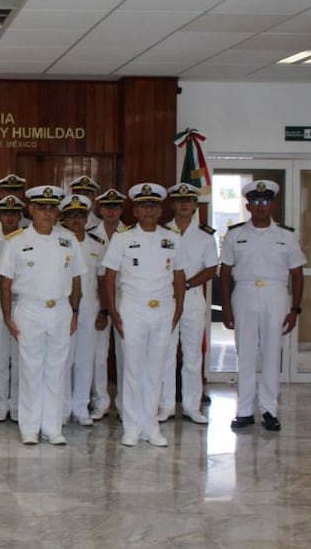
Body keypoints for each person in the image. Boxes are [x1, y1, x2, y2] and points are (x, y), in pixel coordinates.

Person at [0, 186, 85, 445]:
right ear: (31, 209)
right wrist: (6, 316)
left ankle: (52, 427)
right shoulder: (17, 241)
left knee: (57, 370)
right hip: (29, 310)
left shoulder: (69, 239)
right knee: (30, 370)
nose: (48, 213)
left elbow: (77, 277)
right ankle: (29, 427)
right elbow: (5, 281)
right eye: (42, 207)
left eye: (52, 207)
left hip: (60, 309)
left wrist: (75, 311)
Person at [102, 183, 185, 447]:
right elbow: (110, 276)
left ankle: (151, 425)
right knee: (133, 369)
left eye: (153, 206)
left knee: (156, 368)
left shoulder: (172, 238)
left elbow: (179, 274)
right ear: (135, 210)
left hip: (163, 308)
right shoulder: (123, 237)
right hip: (133, 308)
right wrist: (113, 312)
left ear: (160, 210)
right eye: (143, 206)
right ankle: (132, 426)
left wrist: (179, 307)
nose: (149, 211)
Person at [221, 180, 305, 432]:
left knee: (271, 354)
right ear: (248, 205)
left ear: (273, 205)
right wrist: (225, 307)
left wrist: (295, 309)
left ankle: (270, 410)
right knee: (245, 353)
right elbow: (224, 273)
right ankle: (244, 411)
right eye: (255, 202)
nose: (260, 207)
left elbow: (298, 274)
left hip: (275, 295)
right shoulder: (235, 235)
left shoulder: (286, 236)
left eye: (265, 202)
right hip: (244, 294)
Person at [160, 182, 218, 424]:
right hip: (166, 300)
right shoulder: (161, 233)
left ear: (195, 205)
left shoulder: (205, 236)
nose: (184, 204)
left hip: (193, 299)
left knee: (193, 355)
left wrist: (185, 285)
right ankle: (166, 406)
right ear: (173, 204)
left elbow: (212, 269)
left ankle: (193, 406)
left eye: (189, 200)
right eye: (179, 200)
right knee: (166, 354)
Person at [58, 193, 105, 427]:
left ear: (87, 217)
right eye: (71, 215)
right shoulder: (58, 241)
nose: (76, 220)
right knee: (64, 358)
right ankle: (64, 408)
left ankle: (81, 406)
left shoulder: (97, 244)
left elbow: (104, 278)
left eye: (80, 215)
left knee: (86, 357)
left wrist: (104, 310)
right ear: (64, 218)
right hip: (63, 304)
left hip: (89, 306)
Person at [0, 194, 24, 422]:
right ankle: (1, 404)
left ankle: (17, 405)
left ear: (20, 216)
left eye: (14, 213)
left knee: (19, 358)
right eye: (5, 213)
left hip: (22, 303)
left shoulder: (28, 241)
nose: (9, 217)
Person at [90, 188, 125, 420]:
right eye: (107, 207)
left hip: (126, 298)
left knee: (125, 353)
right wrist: (103, 308)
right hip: (98, 298)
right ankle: (100, 401)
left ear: (121, 209)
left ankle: (124, 403)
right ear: (100, 210)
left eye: (115, 207)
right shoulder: (90, 235)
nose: (111, 211)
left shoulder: (131, 233)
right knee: (99, 353)